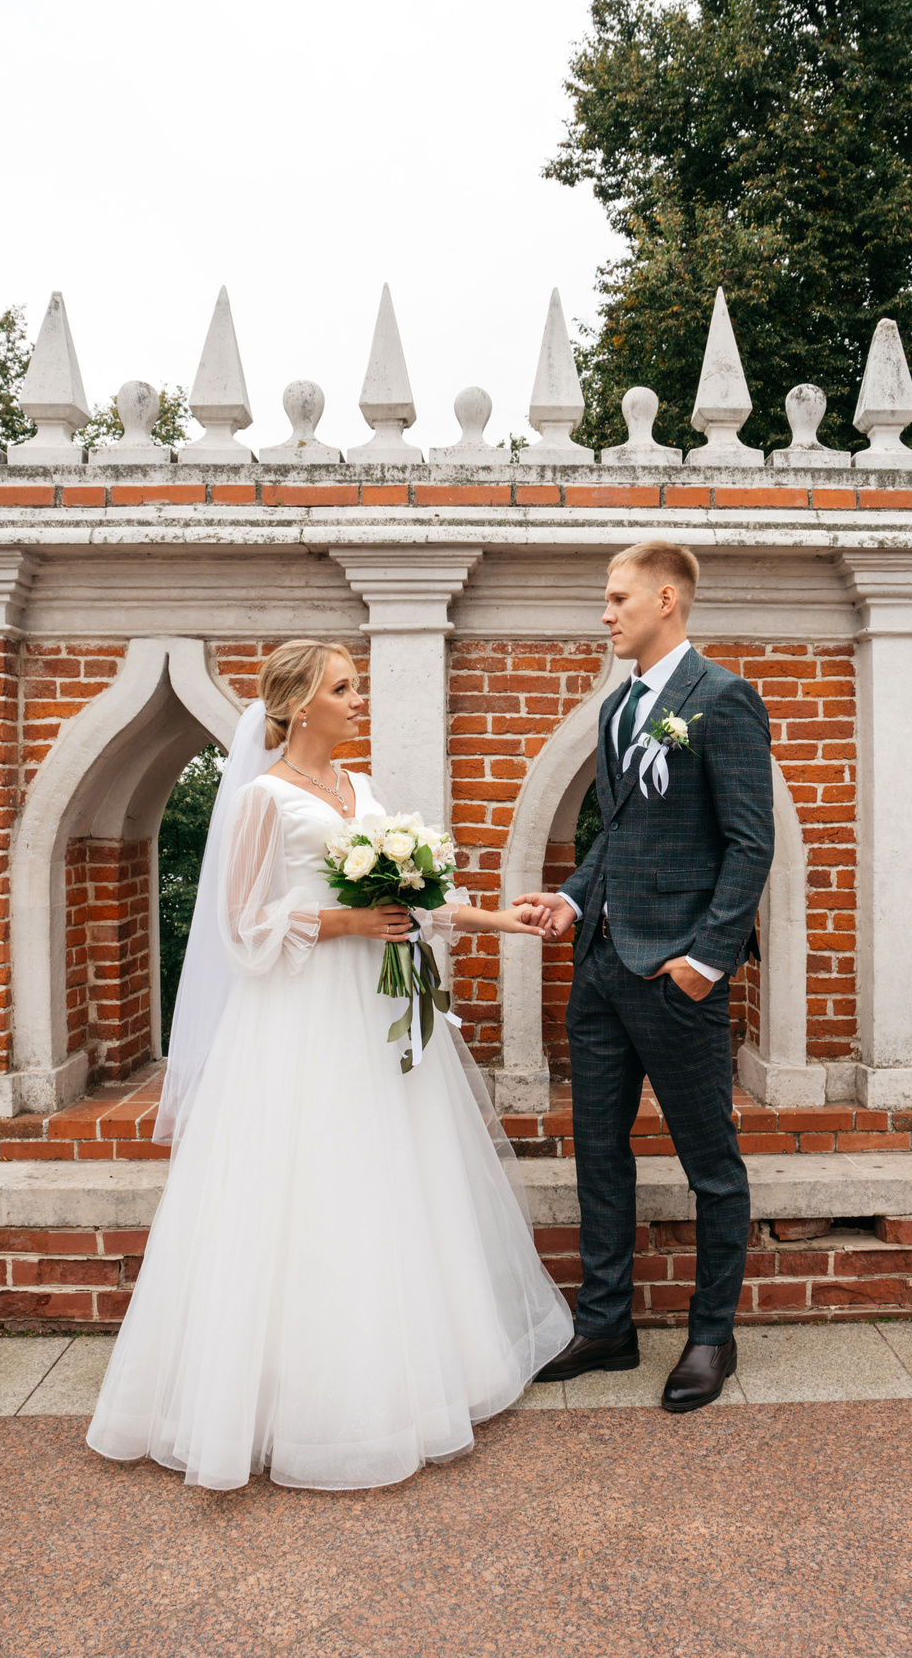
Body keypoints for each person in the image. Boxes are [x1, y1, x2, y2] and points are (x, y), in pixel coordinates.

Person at [87, 639, 571, 1491]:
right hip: (299, 1018)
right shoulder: (261, 800)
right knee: (304, 1185)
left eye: (358, 686)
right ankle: (285, 1408)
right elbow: (241, 928)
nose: (359, 700)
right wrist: (347, 925)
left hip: (372, 1012)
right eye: (344, 688)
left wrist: (503, 920)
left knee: (385, 1187)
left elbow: (412, 904)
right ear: (300, 702)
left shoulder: (362, 791)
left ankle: (408, 1387)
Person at [514, 540, 774, 1414]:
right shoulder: (621, 707)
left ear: (668, 599)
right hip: (599, 974)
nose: (607, 612)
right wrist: (572, 901)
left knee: (712, 1165)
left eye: (619, 597)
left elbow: (750, 844)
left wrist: (705, 962)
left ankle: (711, 1337)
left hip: (675, 977)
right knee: (598, 1152)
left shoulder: (725, 698)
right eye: (606, 598)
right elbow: (618, 833)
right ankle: (606, 1324)